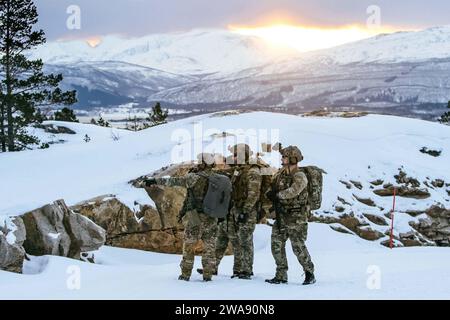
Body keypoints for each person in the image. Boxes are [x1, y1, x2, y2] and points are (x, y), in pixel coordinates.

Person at [145, 153, 219, 282]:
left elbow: (174, 181)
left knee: (189, 246)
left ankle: (185, 274)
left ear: (202, 163)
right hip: (212, 217)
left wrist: (155, 180)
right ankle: (208, 275)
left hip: (195, 216)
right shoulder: (219, 178)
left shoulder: (193, 177)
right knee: (210, 246)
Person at [265, 145, 316, 285]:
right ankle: (281, 274)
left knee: (298, 246)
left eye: (285, 156)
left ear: (293, 158)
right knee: (276, 244)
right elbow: (272, 185)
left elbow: (294, 190)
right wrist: (270, 193)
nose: (282, 158)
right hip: (282, 215)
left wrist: (278, 195)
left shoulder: (300, 175)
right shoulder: (280, 174)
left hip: (296, 217)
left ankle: (309, 272)